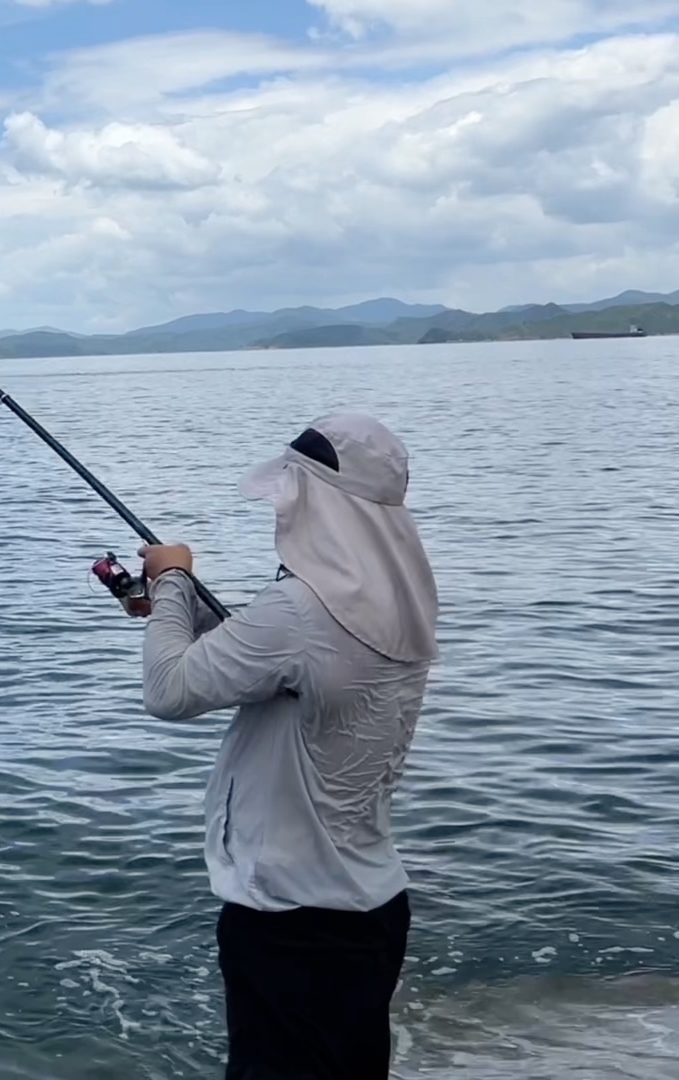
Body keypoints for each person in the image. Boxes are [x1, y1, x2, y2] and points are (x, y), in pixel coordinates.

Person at [137, 411, 439, 1080]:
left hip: (289, 925)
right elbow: (293, 665)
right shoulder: (402, 595)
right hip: (371, 910)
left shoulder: (300, 611)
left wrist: (172, 583)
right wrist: (175, 614)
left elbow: (168, 690)